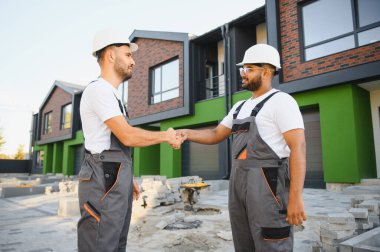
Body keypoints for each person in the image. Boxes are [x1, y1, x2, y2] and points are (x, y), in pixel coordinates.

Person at [178, 44, 306, 251]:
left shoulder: (282, 102)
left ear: (266, 70)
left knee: (271, 240)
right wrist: (185, 133)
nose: (243, 74)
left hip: (268, 182)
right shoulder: (239, 107)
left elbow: (298, 147)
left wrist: (295, 197)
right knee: (243, 241)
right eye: (242, 69)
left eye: (248, 69)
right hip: (238, 181)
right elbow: (215, 134)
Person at [77, 28, 183, 252]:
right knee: (100, 243)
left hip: (113, 175)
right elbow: (127, 134)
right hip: (102, 177)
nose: (133, 61)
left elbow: (113, 141)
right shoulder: (98, 91)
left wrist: (126, 175)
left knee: (116, 243)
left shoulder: (113, 95)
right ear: (110, 55)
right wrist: (166, 135)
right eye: (128, 54)